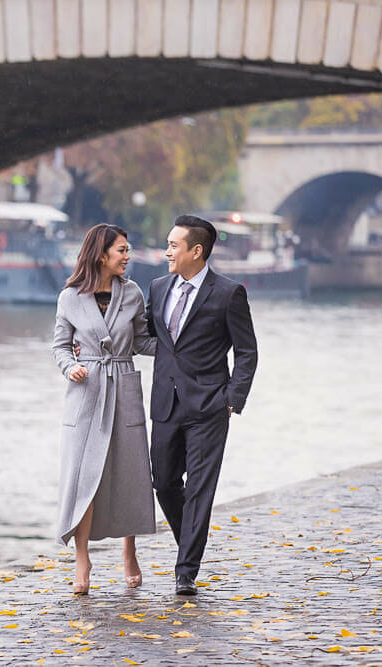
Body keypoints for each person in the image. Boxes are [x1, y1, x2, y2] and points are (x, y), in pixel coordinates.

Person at [145, 214, 257, 596]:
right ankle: (188, 544)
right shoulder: (158, 288)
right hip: (165, 403)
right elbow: (149, 336)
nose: (166, 252)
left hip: (210, 407)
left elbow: (247, 352)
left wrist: (232, 400)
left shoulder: (228, 293)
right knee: (163, 483)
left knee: (199, 490)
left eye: (173, 245)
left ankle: (185, 572)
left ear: (196, 251)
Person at [52, 224, 157, 595]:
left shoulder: (132, 293)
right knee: (83, 476)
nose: (127, 257)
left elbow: (143, 340)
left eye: (127, 250)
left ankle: (129, 551)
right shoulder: (70, 297)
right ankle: (83, 557)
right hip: (86, 390)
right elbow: (60, 346)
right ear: (101, 254)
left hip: (124, 383)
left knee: (129, 473)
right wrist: (71, 367)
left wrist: (182, 344)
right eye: (122, 250)